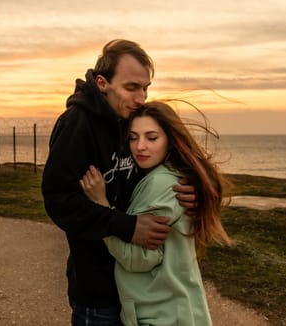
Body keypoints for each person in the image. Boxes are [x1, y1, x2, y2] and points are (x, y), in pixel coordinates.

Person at [42, 40, 197, 325]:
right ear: (102, 83)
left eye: (145, 88)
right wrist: (125, 225)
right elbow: (59, 200)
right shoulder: (77, 123)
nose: (141, 98)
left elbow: (160, 165)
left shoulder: (132, 122)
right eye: (131, 87)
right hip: (98, 289)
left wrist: (193, 190)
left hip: (140, 290)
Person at [80, 100, 232, 326]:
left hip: (161, 314)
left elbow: (139, 258)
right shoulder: (173, 175)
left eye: (151, 138)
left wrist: (101, 206)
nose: (140, 146)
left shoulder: (160, 184)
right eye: (133, 137)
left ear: (170, 140)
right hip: (176, 309)